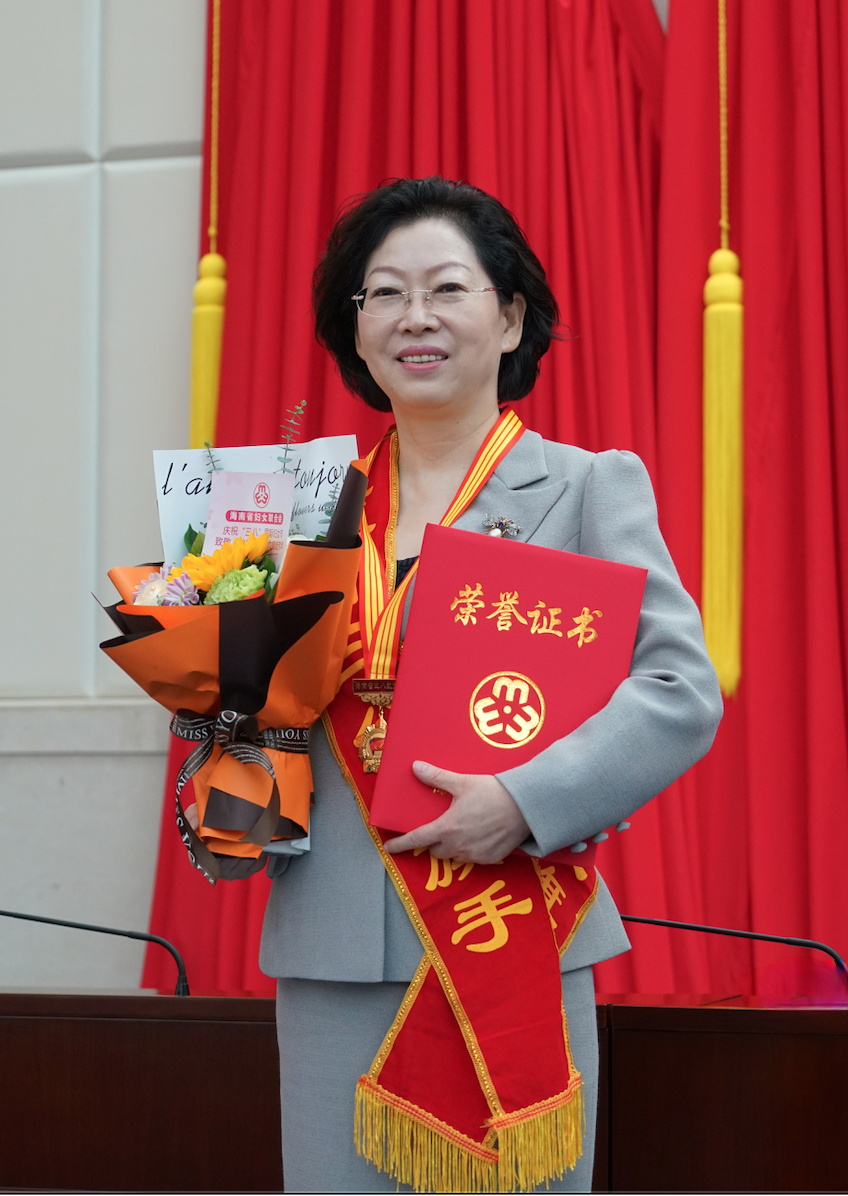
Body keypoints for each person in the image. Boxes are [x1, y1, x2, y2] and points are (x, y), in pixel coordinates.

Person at [259, 176, 723, 1193]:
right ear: (355, 328)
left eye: (445, 288)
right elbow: (259, 714)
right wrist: (225, 734)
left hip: (515, 928)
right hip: (333, 945)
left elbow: (677, 687)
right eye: (383, 293)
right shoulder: (299, 512)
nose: (413, 317)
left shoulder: (587, 486)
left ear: (509, 316)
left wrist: (524, 799)